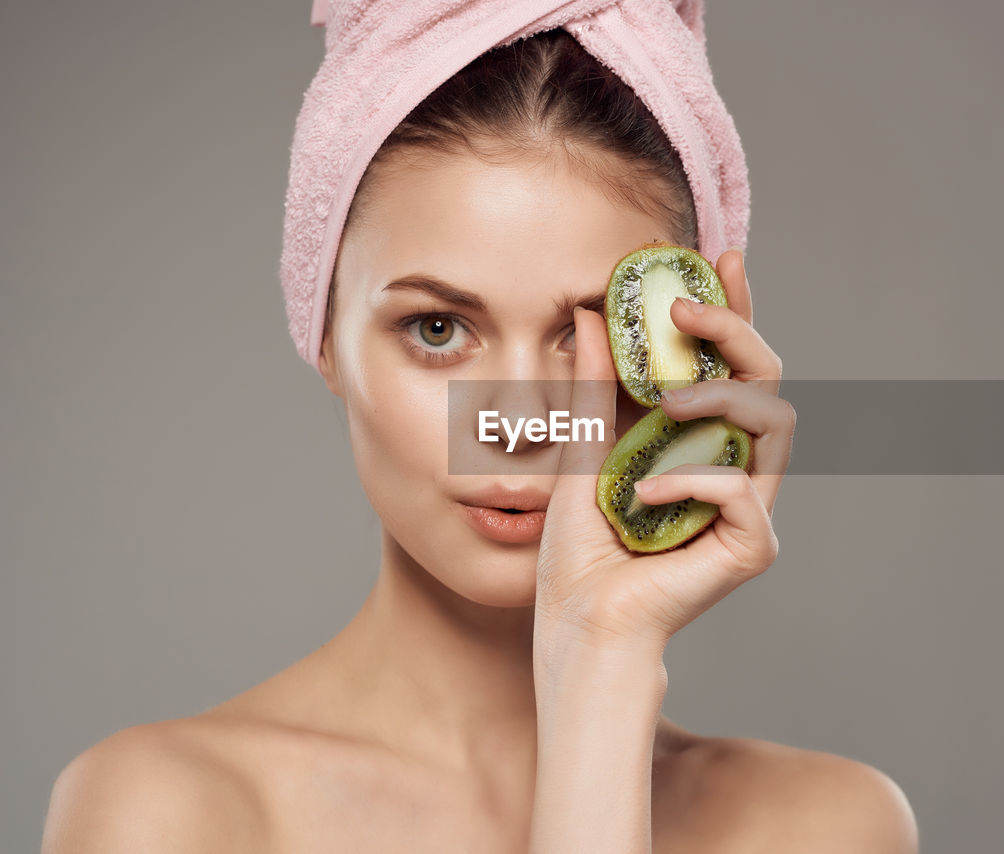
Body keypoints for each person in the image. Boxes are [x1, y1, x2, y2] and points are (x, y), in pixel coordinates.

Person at [41, 11, 916, 854]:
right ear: (324, 340)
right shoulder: (164, 816)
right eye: (436, 330)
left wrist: (602, 664)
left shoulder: (824, 827)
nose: (523, 423)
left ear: (698, 365)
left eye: (589, 338)